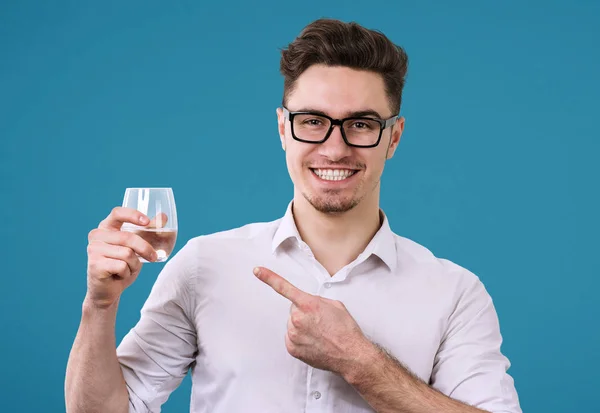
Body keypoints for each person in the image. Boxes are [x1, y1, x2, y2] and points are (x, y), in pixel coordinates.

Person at [65, 18, 522, 413]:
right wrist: (100, 306)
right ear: (284, 128)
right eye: (312, 121)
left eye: (361, 124)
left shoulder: (456, 293)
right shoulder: (203, 265)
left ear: (394, 137)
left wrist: (361, 362)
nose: (335, 147)